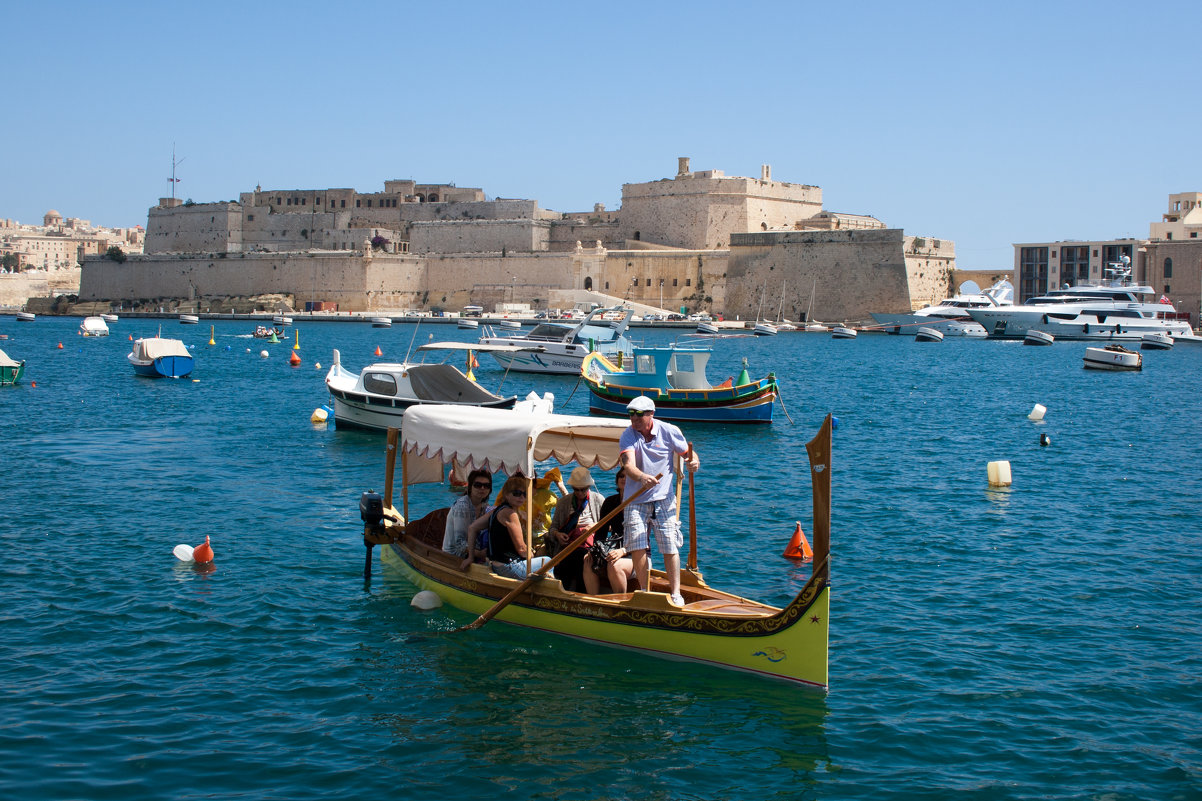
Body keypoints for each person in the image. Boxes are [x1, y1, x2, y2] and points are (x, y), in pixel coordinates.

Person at [618, 395, 699, 606]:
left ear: (651, 414)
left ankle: (675, 593)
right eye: (630, 414)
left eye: (638, 414)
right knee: (637, 545)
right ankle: (645, 591)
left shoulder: (669, 431)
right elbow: (628, 466)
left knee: (669, 543)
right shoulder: (627, 435)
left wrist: (694, 463)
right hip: (635, 499)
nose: (633, 418)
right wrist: (641, 477)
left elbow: (689, 454)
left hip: (664, 498)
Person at [478, 475, 552, 580]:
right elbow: (522, 549)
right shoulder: (510, 513)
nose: (521, 497)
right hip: (508, 568)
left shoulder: (497, 510)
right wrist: (531, 555)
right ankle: (547, 592)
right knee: (548, 561)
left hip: (496, 565)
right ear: (506, 495)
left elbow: (472, 527)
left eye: (524, 494)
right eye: (517, 494)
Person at [548, 466, 604, 592]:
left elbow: (609, 526)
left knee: (581, 558)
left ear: (588, 487)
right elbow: (553, 527)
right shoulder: (563, 502)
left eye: (583, 490)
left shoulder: (598, 500)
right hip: (567, 545)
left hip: (590, 546)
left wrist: (593, 527)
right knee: (564, 563)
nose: (579, 493)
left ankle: (578, 595)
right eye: (576, 490)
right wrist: (557, 535)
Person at [585, 467, 638, 595]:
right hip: (614, 548)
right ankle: (594, 600)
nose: (624, 479)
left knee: (614, 565)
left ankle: (619, 602)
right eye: (621, 476)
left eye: (628, 477)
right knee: (587, 560)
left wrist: (623, 551)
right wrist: (595, 550)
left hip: (636, 554)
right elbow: (601, 533)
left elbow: (643, 539)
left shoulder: (639, 503)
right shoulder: (610, 502)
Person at [442, 468, 493, 558]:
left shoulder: (485, 506)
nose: (482, 488)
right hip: (455, 555)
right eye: (478, 485)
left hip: (473, 551)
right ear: (470, 487)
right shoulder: (462, 507)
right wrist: (480, 554)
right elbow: (460, 543)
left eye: (486, 485)